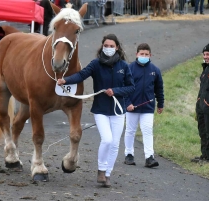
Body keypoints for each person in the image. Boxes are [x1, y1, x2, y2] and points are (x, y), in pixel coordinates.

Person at [57, 34, 135, 187]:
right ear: (102, 46)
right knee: (106, 139)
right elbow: (81, 75)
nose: (109, 48)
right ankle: (101, 169)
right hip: (100, 110)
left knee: (114, 144)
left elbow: (131, 87)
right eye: (106, 45)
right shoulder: (96, 64)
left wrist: (116, 91)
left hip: (118, 111)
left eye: (112, 46)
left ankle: (107, 174)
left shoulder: (124, 66)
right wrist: (65, 80)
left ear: (117, 48)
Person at [123, 43, 164, 168]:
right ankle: (129, 154)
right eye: (142, 54)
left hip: (148, 107)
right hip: (132, 108)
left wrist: (160, 104)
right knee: (130, 131)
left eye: (146, 54)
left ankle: (149, 157)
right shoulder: (129, 69)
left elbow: (159, 89)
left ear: (150, 55)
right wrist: (127, 103)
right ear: (137, 54)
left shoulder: (155, 70)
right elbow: (124, 88)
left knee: (147, 130)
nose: (144, 56)